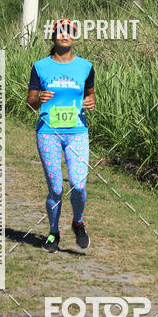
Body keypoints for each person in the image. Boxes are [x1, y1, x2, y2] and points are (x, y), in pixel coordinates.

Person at [26, 19, 96, 252]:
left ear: (74, 37)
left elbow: (90, 95)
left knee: (77, 184)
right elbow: (30, 103)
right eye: (60, 32)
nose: (65, 36)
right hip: (48, 134)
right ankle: (53, 233)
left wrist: (91, 101)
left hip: (77, 132)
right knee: (56, 188)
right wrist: (38, 100)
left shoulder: (85, 66)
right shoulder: (40, 66)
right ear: (53, 36)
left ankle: (78, 222)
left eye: (69, 32)